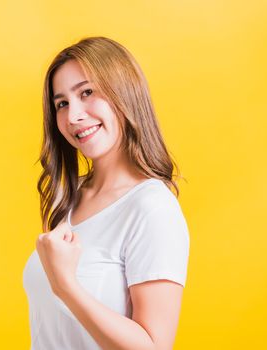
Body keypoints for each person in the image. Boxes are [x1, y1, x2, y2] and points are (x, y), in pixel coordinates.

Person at [22, 36, 190, 350]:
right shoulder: (68, 200)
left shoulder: (152, 207)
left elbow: (155, 346)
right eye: (62, 104)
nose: (73, 116)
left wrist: (66, 286)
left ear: (124, 92)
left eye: (87, 92)